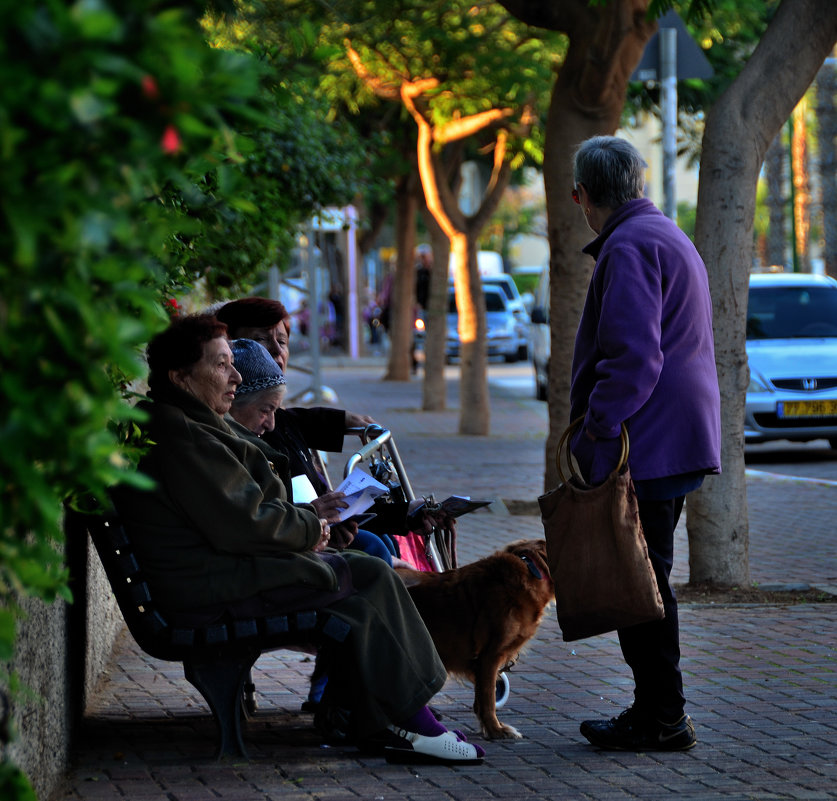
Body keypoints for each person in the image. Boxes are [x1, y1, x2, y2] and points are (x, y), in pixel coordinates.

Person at [111, 313, 484, 764]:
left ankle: (394, 720)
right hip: (207, 589)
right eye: (221, 365)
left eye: (233, 364)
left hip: (217, 572)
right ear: (181, 377)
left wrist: (309, 525)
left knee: (361, 585)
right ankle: (412, 721)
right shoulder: (183, 434)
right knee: (366, 572)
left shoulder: (190, 422)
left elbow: (242, 514)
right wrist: (313, 527)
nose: (235, 376)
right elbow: (244, 522)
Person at [568, 136, 721, 752]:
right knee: (646, 576)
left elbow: (633, 360)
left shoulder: (629, 245)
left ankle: (662, 716)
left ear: (583, 196)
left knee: (641, 582)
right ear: (638, 183)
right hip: (672, 436)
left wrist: (595, 429)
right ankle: (657, 710)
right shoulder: (661, 233)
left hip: (645, 441)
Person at [228, 337, 394, 566]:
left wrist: (323, 529)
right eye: (265, 410)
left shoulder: (271, 431)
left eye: (282, 341)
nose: (271, 424)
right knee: (374, 565)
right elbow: (251, 528)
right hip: (270, 562)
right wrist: (311, 521)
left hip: (295, 543)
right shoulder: (230, 449)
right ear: (230, 399)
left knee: (377, 551)